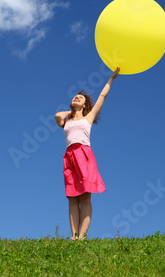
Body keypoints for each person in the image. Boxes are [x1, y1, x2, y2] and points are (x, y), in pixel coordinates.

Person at [54, 67, 120, 240]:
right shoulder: (65, 121)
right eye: (75, 96)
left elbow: (102, 97)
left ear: (85, 106)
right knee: (72, 198)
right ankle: (74, 236)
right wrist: (71, 111)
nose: (76, 97)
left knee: (85, 197)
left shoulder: (88, 118)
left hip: (84, 155)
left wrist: (111, 79)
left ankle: (82, 236)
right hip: (69, 157)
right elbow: (56, 116)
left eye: (80, 98)